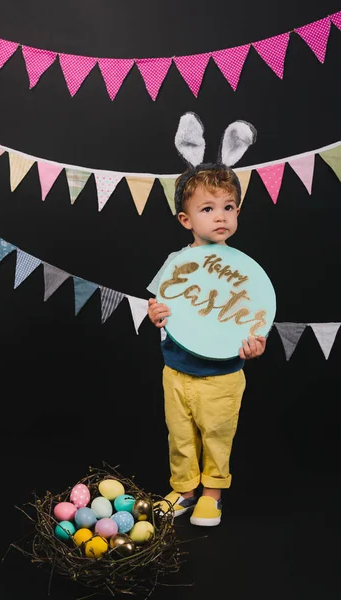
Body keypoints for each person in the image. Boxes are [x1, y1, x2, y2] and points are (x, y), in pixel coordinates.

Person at [147, 113, 267, 526]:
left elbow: (255, 318)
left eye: (229, 207)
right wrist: (156, 313)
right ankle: (184, 490)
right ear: (186, 220)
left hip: (222, 376)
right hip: (176, 371)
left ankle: (211, 494)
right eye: (208, 208)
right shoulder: (174, 264)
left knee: (217, 436)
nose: (221, 216)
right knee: (180, 437)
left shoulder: (246, 272)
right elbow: (158, 307)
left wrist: (257, 342)